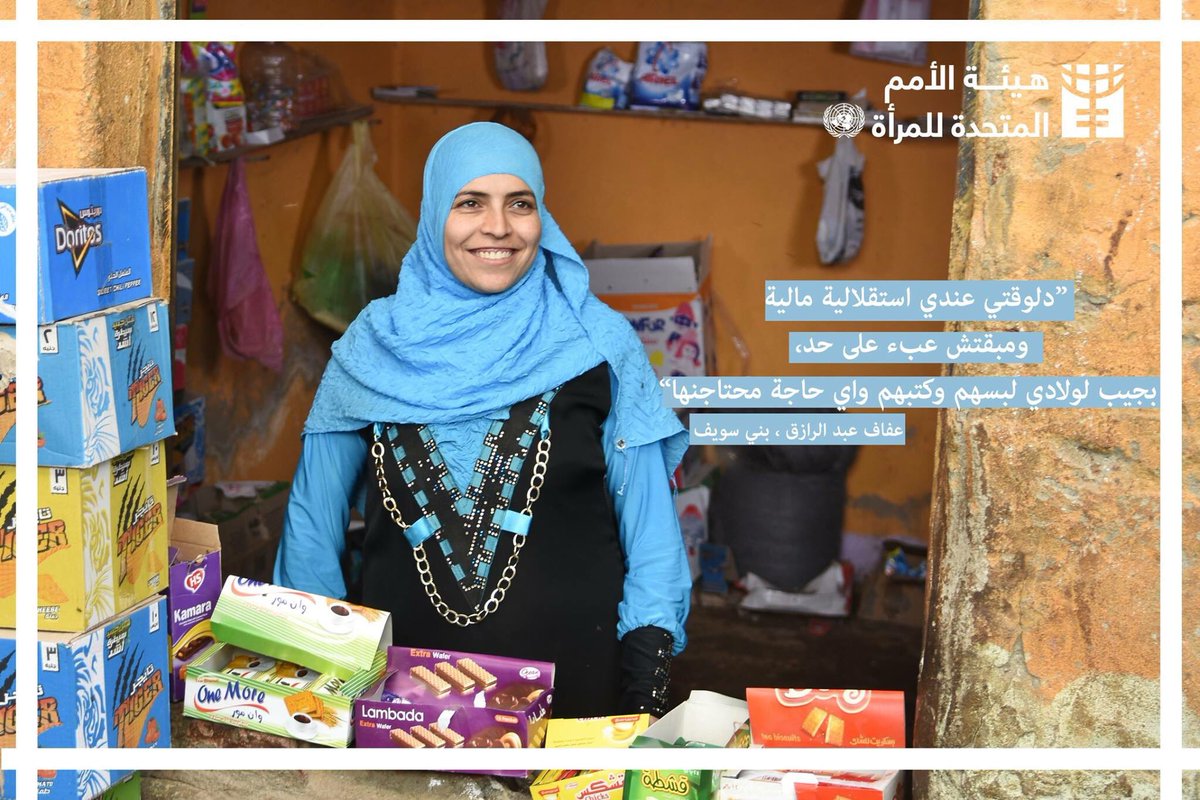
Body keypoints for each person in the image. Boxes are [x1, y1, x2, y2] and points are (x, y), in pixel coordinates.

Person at [275, 121, 692, 719]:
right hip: (401, 711)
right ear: (433, 215)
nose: (498, 226)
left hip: (577, 704)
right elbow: (313, 529)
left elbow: (650, 529)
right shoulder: (373, 350)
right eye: (470, 203)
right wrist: (311, 685)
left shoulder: (597, 345)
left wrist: (644, 682)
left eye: (519, 204)